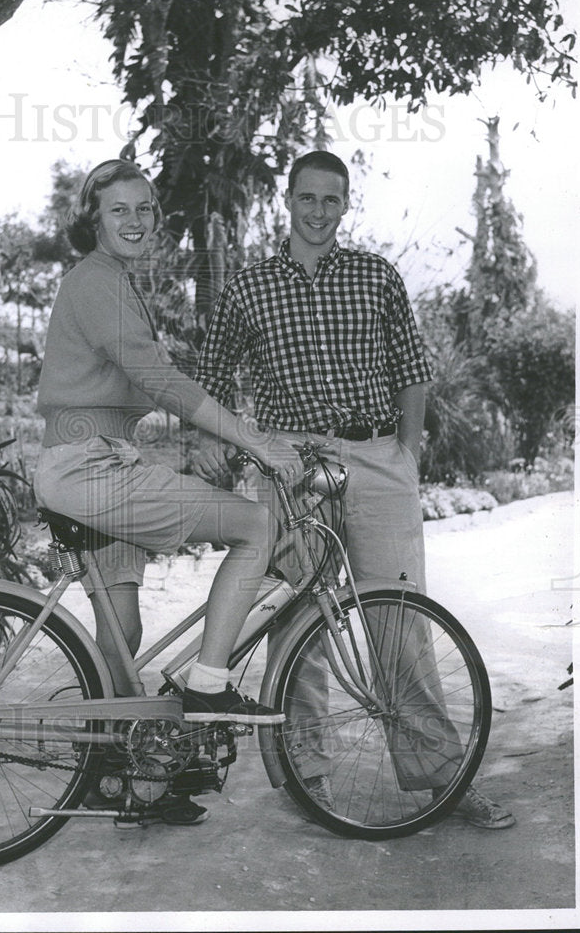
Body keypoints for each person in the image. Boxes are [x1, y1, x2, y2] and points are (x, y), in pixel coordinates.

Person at [192, 149, 515, 830]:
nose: (316, 212)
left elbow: (412, 365)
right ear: (288, 200)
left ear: (344, 205)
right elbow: (213, 380)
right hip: (288, 460)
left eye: (329, 200)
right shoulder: (248, 288)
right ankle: (305, 777)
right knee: (295, 624)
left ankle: (437, 778)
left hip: (374, 458)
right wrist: (236, 453)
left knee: (400, 618)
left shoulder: (375, 276)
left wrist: (405, 447)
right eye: (305, 198)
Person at [33, 159, 305, 822]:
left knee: (120, 634)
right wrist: (252, 440)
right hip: (88, 469)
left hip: (100, 456)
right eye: (118, 210)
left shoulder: (113, 283)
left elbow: (126, 396)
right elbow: (160, 380)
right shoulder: (96, 283)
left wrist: (188, 445)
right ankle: (208, 684)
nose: (134, 220)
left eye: (145, 208)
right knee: (254, 527)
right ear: (92, 220)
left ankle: (126, 772)